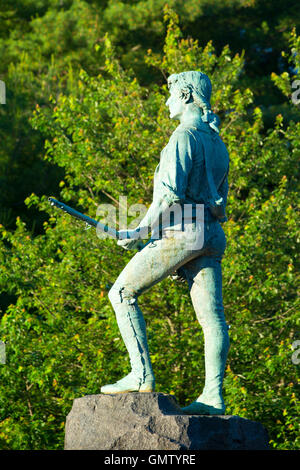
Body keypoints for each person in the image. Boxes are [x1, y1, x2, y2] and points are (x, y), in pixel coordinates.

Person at [100, 71, 230, 415]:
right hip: (211, 235)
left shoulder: (182, 136)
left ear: (186, 95)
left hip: (185, 233)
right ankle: (213, 396)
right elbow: (220, 204)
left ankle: (140, 375)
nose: (167, 100)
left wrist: (137, 233)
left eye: (171, 94)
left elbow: (167, 198)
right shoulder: (217, 142)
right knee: (212, 317)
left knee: (121, 293)